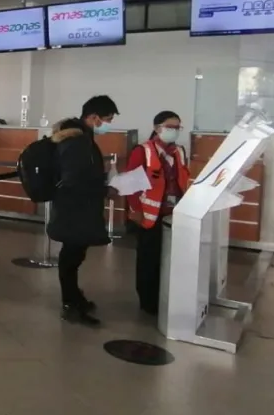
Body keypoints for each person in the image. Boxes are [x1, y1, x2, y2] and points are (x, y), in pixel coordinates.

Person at [48, 95, 119, 327]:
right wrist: (103, 188)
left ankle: (75, 298)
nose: (108, 124)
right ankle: (70, 304)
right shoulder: (77, 141)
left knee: (74, 256)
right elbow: (74, 179)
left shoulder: (81, 138)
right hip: (74, 210)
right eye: (106, 119)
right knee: (70, 257)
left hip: (77, 209)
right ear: (93, 117)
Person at [126, 110, 189, 315]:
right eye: (169, 127)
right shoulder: (142, 151)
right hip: (149, 215)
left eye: (177, 128)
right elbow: (130, 184)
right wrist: (135, 210)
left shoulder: (179, 151)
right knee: (148, 260)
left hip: (173, 214)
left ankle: (165, 298)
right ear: (156, 128)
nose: (174, 131)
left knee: (168, 260)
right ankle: (148, 302)